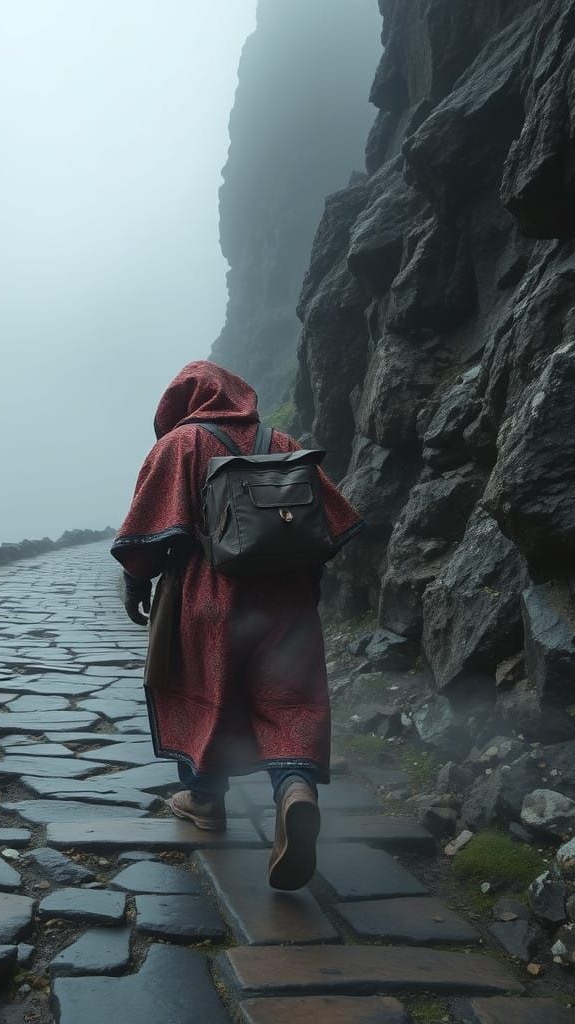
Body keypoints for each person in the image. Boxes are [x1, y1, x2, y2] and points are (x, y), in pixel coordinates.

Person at [111, 360, 364, 890]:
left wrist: (137, 585)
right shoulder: (283, 440)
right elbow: (335, 525)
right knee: (288, 702)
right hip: (287, 601)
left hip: (208, 600)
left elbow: (147, 535)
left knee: (205, 694)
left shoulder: (181, 446)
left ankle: (204, 798)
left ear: (181, 402)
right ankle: (295, 790)